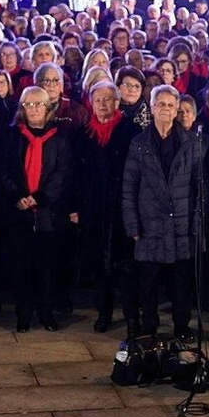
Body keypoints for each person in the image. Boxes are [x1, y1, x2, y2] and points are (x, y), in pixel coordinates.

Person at [123, 83, 203, 341]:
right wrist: (132, 226)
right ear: (153, 107)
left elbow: (199, 187)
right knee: (148, 283)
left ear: (177, 108)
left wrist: (197, 225)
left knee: (182, 283)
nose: (166, 109)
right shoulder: (139, 143)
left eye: (171, 105)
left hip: (182, 226)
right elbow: (129, 187)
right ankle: (149, 326)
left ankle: (181, 326)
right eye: (161, 104)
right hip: (150, 226)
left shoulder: (191, 143)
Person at [0, 85, 76, 332]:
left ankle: (46, 312)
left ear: (47, 107)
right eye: (28, 104)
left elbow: (63, 174)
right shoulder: (12, 136)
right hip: (19, 212)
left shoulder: (60, 137)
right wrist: (19, 196)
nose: (33, 109)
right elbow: (5, 170)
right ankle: (23, 314)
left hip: (47, 214)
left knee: (46, 267)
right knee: (21, 267)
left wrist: (39, 198)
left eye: (38, 104)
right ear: (22, 108)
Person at [82, 79, 140, 333]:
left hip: (122, 209)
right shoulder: (85, 134)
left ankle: (132, 318)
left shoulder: (130, 131)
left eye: (107, 99)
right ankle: (103, 313)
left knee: (127, 269)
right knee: (100, 267)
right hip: (95, 209)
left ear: (117, 102)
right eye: (98, 100)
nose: (102, 104)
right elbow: (78, 174)